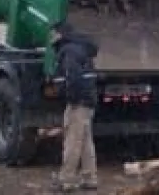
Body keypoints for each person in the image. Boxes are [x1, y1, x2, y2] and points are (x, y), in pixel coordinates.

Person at [50, 21, 100, 192]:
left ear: (60, 34)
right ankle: (89, 177)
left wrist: (70, 99)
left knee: (72, 140)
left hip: (78, 103)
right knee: (85, 141)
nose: (50, 38)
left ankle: (66, 179)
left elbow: (73, 78)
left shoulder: (68, 51)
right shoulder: (80, 48)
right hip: (87, 101)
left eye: (52, 33)